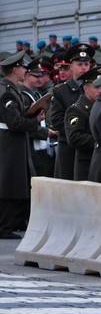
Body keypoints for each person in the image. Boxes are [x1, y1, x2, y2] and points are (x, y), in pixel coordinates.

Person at [0, 52, 40, 239]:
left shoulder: (10, 88)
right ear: (15, 69)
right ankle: (4, 226)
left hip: (11, 141)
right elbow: (14, 122)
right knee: (9, 181)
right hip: (8, 142)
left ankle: (12, 222)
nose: (25, 70)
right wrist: (33, 123)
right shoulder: (7, 91)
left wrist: (31, 113)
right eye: (23, 67)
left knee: (14, 180)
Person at [48, 44, 94, 179]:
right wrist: (77, 133)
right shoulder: (61, 91)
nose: (84, 67)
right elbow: (56, 119)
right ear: (71, 66)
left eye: (86, 64)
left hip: (90, 148)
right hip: (69, 149)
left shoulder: (96, 89)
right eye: (80, 64)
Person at [64, 66, 101, 181]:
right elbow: (74, 138)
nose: (100, 91)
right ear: (85, 88)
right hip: (86, 163)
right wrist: (100, 141)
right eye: (96, 87)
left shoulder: (100, 106)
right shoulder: (77, 110)